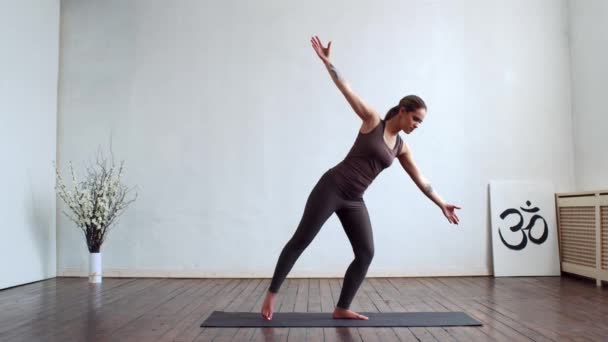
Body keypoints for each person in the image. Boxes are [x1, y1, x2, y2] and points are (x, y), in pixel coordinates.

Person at [260, 36, 461, 321]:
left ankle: (341, 307)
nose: (417, 126)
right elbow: (347, 89)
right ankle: (271, 294)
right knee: (301, 240)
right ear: (402, 111)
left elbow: (422, 180)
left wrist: (441, 203)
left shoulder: (401, 147)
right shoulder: (373, 121)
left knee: (366, 253)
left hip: (354, 199)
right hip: (332, 187)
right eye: (415, 119)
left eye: (420, 123)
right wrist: (329, 63)